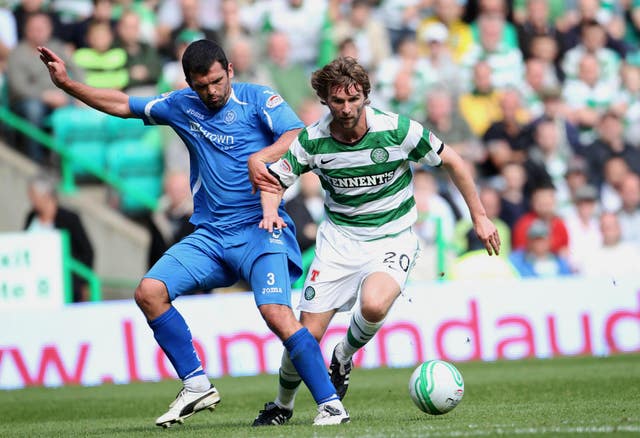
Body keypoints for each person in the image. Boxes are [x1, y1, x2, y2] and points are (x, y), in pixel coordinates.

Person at [38, 39, 348, 427]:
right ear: (189, 82)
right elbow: (123, 104)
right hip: (211, 235)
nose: (211, 92)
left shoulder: (258, 99)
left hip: (259, 229)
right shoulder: (182, 105)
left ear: (230, 70)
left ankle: (330, 404)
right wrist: (68, 86)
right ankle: (196, 383)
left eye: (217, 81)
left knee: (276, 313)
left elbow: (297, 136)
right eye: (201, 86)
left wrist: (260, 157)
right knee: (149, 292)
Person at [249, 57, 500, 426]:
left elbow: (456, 162)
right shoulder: (312, 140)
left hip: (391, 237)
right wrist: (269, 210)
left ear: (366, 95)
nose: (347, 108)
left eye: (354, 99)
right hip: (339, 242)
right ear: (325, 101)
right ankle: (281, 405)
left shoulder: (397, 130)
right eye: (338, 101)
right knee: (304, 337)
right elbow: (276, 180)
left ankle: (344, 354)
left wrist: (479, 215)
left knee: (375, 304)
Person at [24, 172, 94, 303]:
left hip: (65, 284)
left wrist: (82, 283)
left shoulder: (69, 219)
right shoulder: (31, 217)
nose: (30, 199)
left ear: (45, 195)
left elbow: (87, 252)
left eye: (33, 194)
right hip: (36, 285)